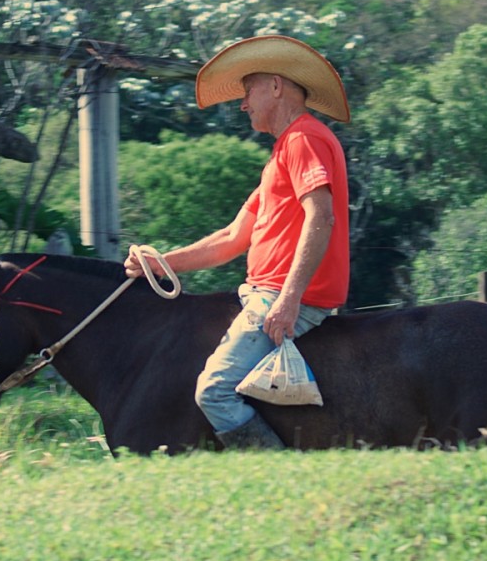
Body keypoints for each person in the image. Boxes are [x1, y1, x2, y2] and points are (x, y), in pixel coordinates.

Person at [123, 35, 351, 450]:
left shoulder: (304, 139)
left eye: (249, 90)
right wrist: (161, 263)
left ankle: (275, 477)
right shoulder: (282, 153)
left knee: (213, 392)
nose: (243, 103)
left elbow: (322, 216)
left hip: (279, 296)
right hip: (265, 292)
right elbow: (232, 238)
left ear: (277, 86)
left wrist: (288, 299)